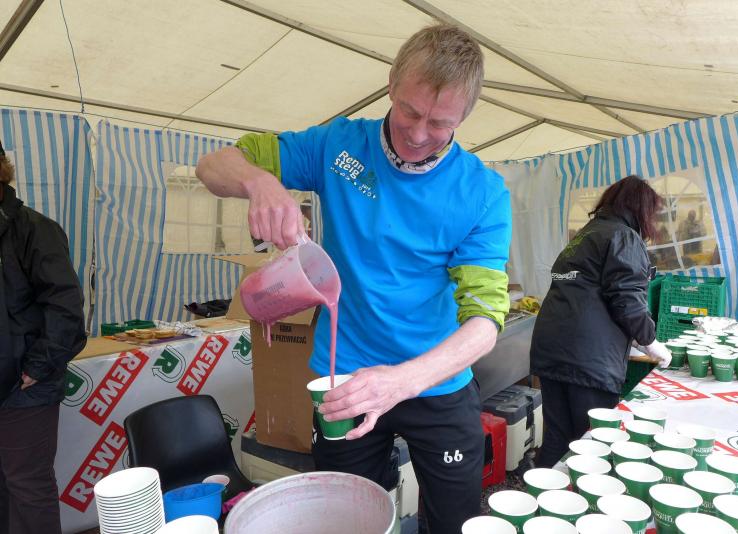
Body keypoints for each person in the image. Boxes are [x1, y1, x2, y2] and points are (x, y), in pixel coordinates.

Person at [197, 24, 511, 533]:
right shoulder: (337, 147)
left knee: (453, 521)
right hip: (341, 377)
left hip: (435, 380)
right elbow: (212, 166)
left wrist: (400, 381)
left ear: (465, 117)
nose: (418, 134)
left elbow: (485, 321)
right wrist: (260, 183)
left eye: (439, 123)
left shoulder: (482, 193)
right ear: (391, 84)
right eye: (409, 111)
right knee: (344, 520)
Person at [529, 175, 672, 468]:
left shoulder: (586, 234)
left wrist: (637, 338)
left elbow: (591, 292)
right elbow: (627, 299)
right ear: (641, 209)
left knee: (558, 436)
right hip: (588, 359)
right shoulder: (623, 237)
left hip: (553, 348)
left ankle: (544, 493)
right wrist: (650, 341)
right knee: (593, 441)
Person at [0, 140, 87, 534]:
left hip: (24, 387)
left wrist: (36, 367)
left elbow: (66, 308)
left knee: (27, 486)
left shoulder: (34, 229)